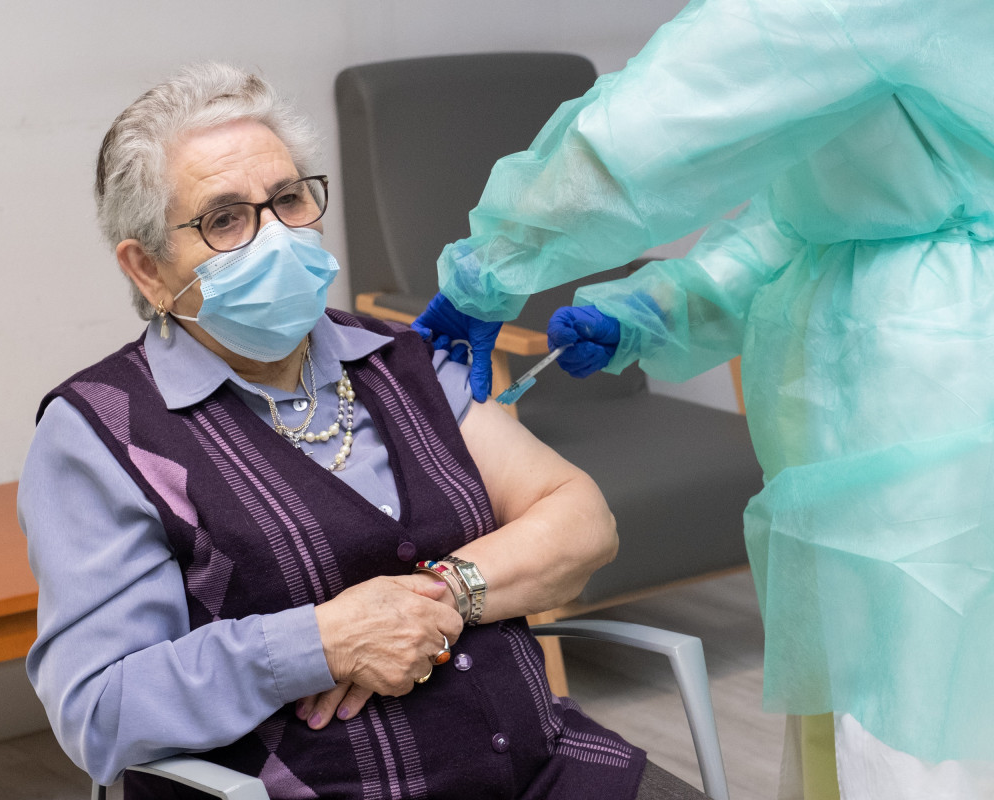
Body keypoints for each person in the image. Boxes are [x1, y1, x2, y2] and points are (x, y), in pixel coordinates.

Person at [18, 62, 707, 800]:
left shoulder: (397, 356)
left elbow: (579, 519)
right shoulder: (103, 434)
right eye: (224, 218)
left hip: (543, 769)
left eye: (288, 199)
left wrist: (442, 595)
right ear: (149, 270)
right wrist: (321, 643)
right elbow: (99, 709)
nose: (275, 236)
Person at [414, 0, 994, 797]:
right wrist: (655, 310)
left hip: (945, 411)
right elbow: (802, 224)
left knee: (926, 721)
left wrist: (495, 264)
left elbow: (647, 134)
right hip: (892, 411)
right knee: (862, 705)